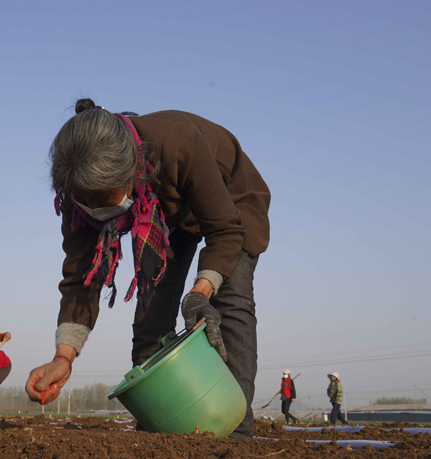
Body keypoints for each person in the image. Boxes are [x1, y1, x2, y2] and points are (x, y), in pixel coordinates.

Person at [24, 99, 271, 439]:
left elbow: (225, 231)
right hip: (167, 216)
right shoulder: (77, 193)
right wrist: (64, 356)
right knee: (151, 313)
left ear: (132, 174)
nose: (100, 217)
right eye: (90, 207)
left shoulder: (176, 141)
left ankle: (235, 431)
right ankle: (156, 426)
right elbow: (82, 277)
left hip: (232, 200)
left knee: (229, 301)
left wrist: (201, 291)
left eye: (108, 206)